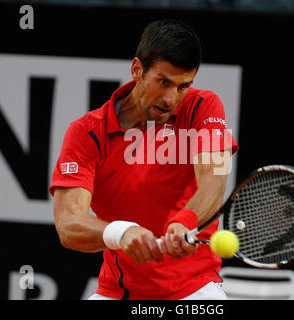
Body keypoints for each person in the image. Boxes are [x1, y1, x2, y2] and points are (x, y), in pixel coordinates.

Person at [50, 19, 238, 300]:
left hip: (195, 289)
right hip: (119, 291)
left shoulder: (203, 106)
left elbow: (214, 182)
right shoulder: (87, 132)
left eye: (183, 86)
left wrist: (185, 220)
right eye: (163, 82)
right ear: (137, 70)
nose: (171, 98)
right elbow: (68, 224)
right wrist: (121, 232)